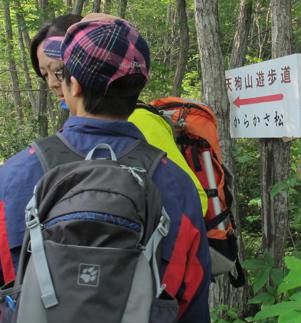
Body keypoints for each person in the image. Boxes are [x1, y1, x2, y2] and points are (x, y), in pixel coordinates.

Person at [0, 14, 211, 323]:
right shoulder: (175, 184)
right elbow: (190, 305)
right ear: (138, 86)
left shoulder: (15, 175)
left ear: (75, 84)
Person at [31, 12, 208, 216]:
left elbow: (194, 199)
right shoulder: (68, 137)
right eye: (45, 74)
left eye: (60, 71)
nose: (53, 83)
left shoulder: (139, 120)